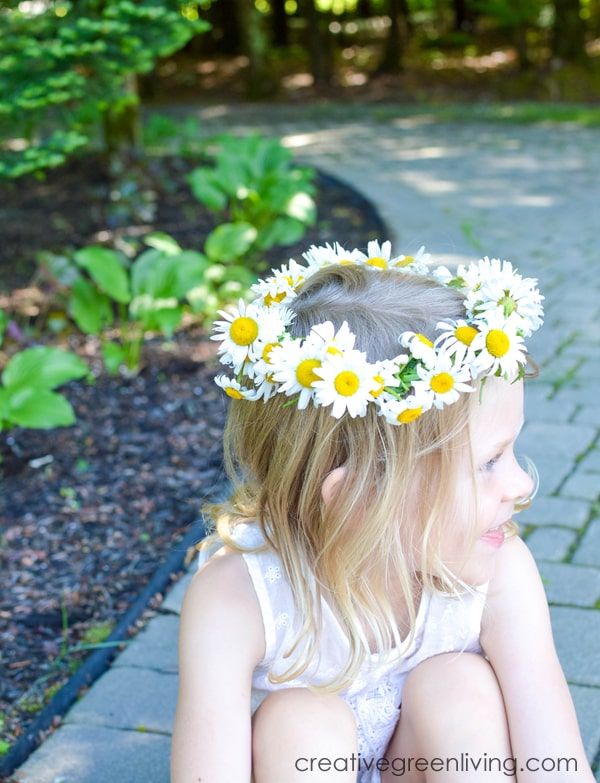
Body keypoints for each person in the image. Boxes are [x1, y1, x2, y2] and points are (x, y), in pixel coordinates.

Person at [171, 242, 594, 783]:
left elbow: (554, 765)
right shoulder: (236, 600)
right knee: (300, 719)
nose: (522, 485)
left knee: (461, 686)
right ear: (357, 498)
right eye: (488, 463)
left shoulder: (499, 573)